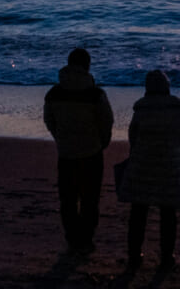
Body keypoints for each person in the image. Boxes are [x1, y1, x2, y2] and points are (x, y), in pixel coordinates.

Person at [121, 69, 180, 273]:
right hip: (170, 165)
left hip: (142, 165)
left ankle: (134, 256)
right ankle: (166, 256)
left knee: (138, 213)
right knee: (168, 213)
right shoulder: (177, 108)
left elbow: (132, 139)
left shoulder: (140, 110)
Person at [43, 48, 114, 254]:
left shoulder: (54, 93)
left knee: (68, 198)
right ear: (87, 66)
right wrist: (103, 142)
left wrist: (60, 139)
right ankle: (86, 237)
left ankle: (72, 237)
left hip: (66, 153)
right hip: (91, 152)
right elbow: (106, 121)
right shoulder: (96, 94)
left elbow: (49, 121)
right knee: (90, 198)